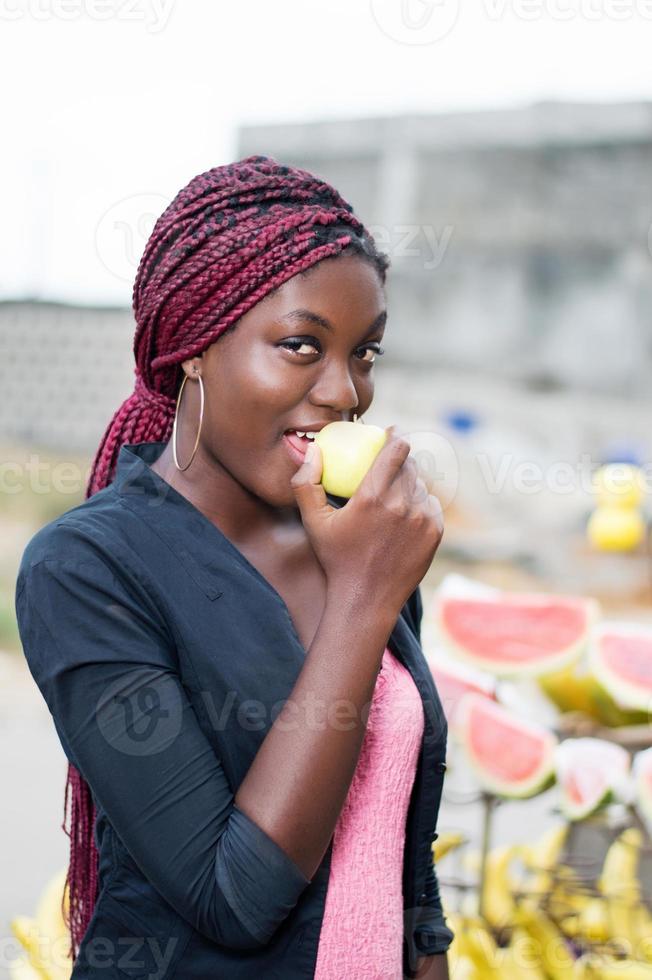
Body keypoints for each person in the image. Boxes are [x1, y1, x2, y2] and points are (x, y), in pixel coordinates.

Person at [15, 155, 454, 979]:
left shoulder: (355, 537)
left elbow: (403, 859)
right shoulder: (88, 569)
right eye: (300, 346)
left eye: (366, 354)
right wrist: (362, 600)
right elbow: (233, 900)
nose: (344, 393)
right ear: (192, 350)